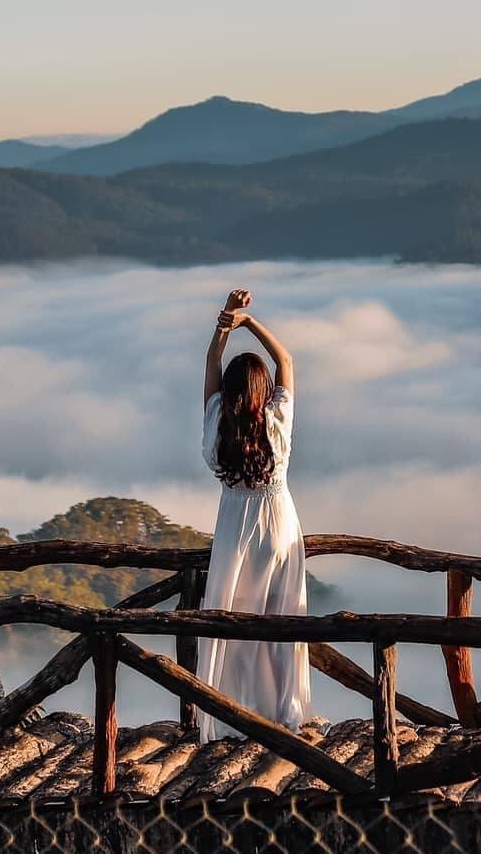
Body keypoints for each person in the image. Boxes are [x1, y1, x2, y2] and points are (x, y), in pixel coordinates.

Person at [196, 286, 310, 739]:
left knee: (231, 620)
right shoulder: (276, 420)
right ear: (264, 390)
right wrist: (250, 323)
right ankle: (286, 713)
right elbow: (287, 361)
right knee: (283, 620)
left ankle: (231, 712)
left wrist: (225, 321)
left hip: (234, 526)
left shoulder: (218, 421)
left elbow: (211, 363)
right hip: (278, 523)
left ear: (228, 391)